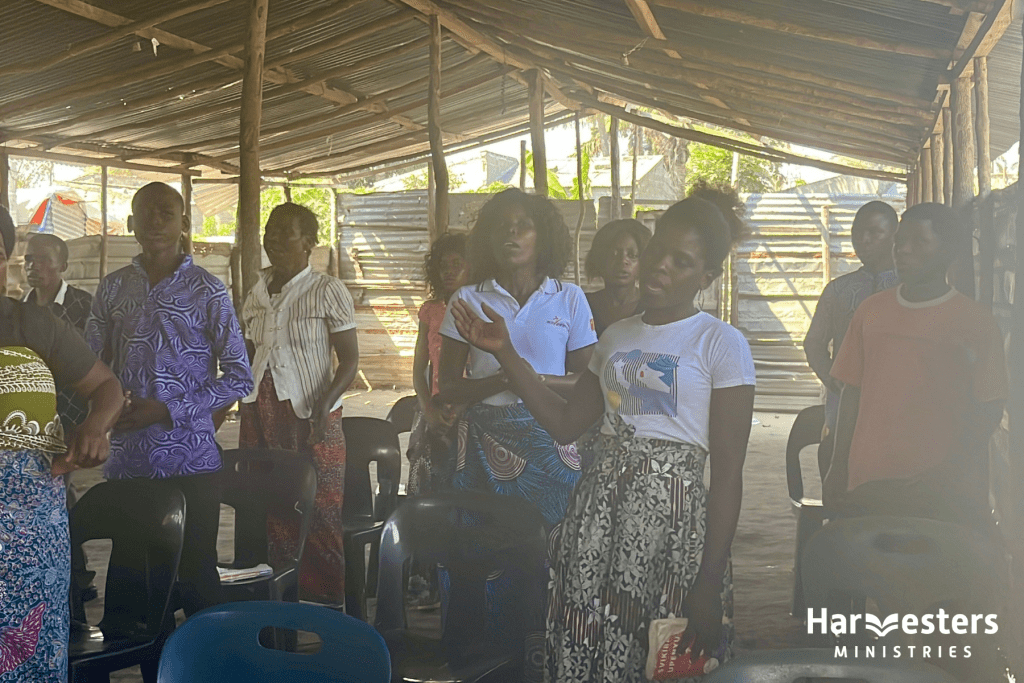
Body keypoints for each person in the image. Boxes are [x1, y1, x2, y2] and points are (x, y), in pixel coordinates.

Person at [451, 187, 756, 682]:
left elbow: (726, 476)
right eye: (658, 251)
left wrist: (709, 577)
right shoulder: (616, 337)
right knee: (589, 644)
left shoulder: (720, 344)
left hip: (673, 531)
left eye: (682, 262)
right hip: (597, 520)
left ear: (707, 277)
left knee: (664, 653)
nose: (660, 267)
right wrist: (505, 352)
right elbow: (566, 423)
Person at [85, 182, 253, 618]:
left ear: (184, 224)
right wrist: (100, 414)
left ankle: (206, 666)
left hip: (192, 463)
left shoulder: (208, 290)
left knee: (197, 581)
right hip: (129, 462)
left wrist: (167, 410)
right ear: (130, 223)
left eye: (166, 212)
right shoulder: (112, 289)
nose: (155, 221)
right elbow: (87, 366)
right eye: (146, 212)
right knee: (131, 583)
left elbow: (239, 377)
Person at [824, 202, 1008, 526]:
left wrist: (949, 469)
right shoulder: (871, 312)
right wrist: (838, 467)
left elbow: (990, 408)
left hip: (941, 490)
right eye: (899, 241)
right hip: (868, 480)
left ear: (948, 251)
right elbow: (850, 394)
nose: (902, 251)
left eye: (918, 242)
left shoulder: (974, 322)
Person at [0, 207, 123, 682]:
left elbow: (107, 387)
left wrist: (94, 429)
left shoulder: (33, 324)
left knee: (28, 649)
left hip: (30, 525)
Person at [437, 188, 597, 525]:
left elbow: (585, 382)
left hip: (552, 434)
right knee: (485, 542)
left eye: (523, 224)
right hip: (485, 439)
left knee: (552, 541)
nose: (511, 232)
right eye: (501, 226)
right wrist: (501, 380)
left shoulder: (569, 297)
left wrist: (532, 380)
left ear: (543, 237)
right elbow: (449, 387)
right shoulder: (466, 299)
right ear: (488, 240)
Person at [239, 202, 359, 607]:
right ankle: (279, 603)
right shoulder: (255, 292)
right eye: (268, 231)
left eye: (282, 232)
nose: (271, 239)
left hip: (312, 413)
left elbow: (350, 358)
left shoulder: (327, 290)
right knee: (270, 506)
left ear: (308, 243)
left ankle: (327, 607)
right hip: (261, 411)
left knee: (320, 510)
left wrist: (324, 406)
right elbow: (252, 352)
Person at [804, 201, 898, 477]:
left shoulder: (911, 289)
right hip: (844, 407)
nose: (863, 240)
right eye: (857, 233)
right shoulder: (838, 290)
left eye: (874, 232)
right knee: (839, 469)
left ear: (895, 235)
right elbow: (814, 344)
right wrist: (834, 382)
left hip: (899, 405)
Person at [407, 232, 468, 497]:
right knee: (426, 486)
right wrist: (427, 409)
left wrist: (463, 407)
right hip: (433, 408)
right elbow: (419, 368)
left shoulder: (484, 308)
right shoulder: (430, 311)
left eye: (457, 264)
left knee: (463, 488)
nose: (449, 272)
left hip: (471, 410)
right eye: (443, 266)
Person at [584, 218, 651, 337]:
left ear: (644, 261)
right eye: (613, 254)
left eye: (632, 255)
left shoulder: (652, 308)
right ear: (599, 258)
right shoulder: (583, 305)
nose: (623, 261)